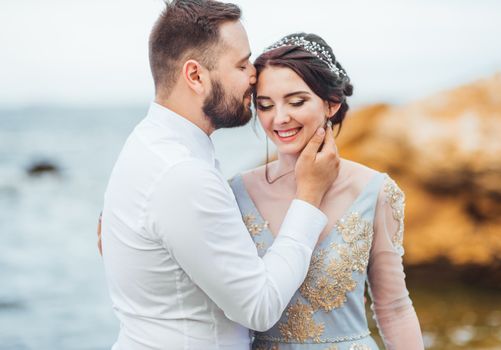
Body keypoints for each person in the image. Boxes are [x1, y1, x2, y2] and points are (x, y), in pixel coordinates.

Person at [100, 2, 340, 350]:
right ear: (196, 76)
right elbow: (259, 307)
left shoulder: (149, 142)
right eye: (242, 65)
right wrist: (309, 196)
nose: (254, 77)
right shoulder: (182, 173)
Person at [228, 34, 425, 349]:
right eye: (265, 105)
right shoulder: (236, 193)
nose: (279, 118)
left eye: (296, 102)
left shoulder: (375, 191)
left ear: (331, 103)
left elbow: (394, 308)